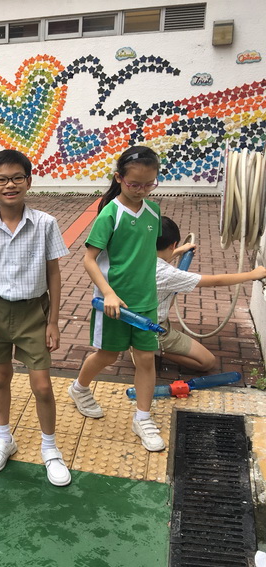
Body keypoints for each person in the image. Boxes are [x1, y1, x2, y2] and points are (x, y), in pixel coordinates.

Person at [0, 149, 71, 485]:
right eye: (1, 180)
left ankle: (50, 448)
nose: (9, 185)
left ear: (28, 181)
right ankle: (4, 439)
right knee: (0, 378)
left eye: (16, 178)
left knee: (41, 385)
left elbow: (54, 273)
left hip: (33, 313)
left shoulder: (45, 224)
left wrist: (53, 321)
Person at [68, 146, 166, 452]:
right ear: (119, 178)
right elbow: (89, 259)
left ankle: (143, 418)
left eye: (148, 184)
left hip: (146, 302)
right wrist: (108, 293)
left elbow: (144, 252)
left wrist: (175, 254)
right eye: (134, 184)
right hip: (113, 304)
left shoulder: (154, 212)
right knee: (108, 355)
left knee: (146, 359)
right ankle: (79, 388)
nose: (141, 190)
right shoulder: (110, 213)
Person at [155, 216, 266, 372]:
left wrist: (179, 251)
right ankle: (150, 349)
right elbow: (217, 281)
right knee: (207, 362)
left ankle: (140, 345)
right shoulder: (169, 274)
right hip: (155, 329)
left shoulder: (138, 258)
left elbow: (158, 261)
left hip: (137, 322)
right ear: (173, 245)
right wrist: (252, 274)